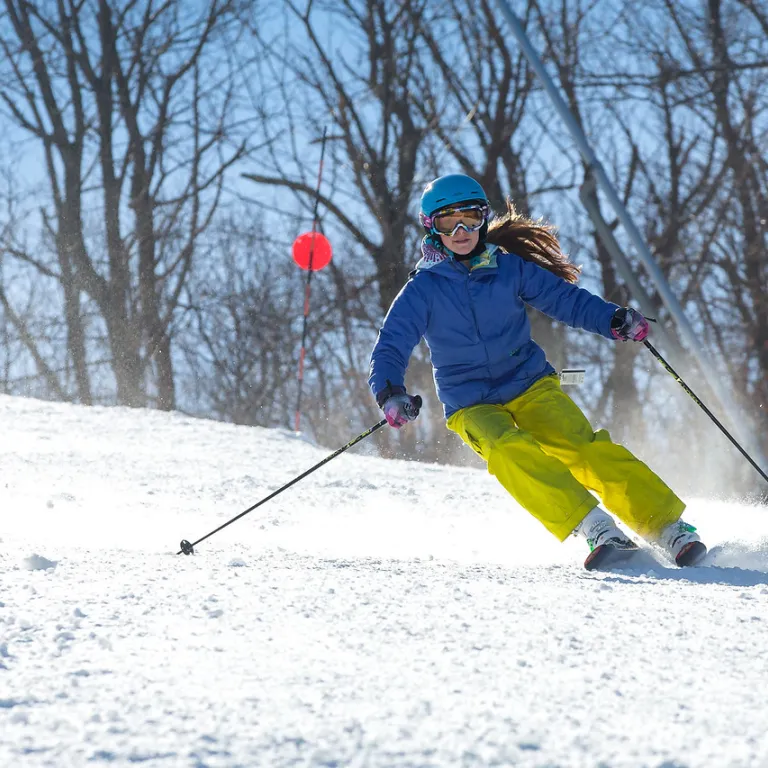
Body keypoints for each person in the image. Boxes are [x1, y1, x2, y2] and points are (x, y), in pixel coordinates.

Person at [368, 173, 706, 571]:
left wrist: (612, 319)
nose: (461, 230)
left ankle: (667, 526)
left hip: (528, 383)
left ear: (483, 219)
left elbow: (565, 300)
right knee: (507, 449)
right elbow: (390, 344)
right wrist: (391, 392)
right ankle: (594, 526)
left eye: (470, 218)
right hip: (470, 402)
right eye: (448, 221)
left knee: (581, 446)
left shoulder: (509, 269)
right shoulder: (422, 289)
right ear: (432, 228)